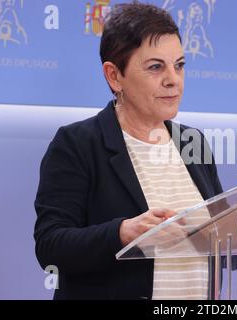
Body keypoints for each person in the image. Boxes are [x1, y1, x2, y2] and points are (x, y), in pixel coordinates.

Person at [34, 2, 224, 300]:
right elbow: (50, 247)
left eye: (179, 65)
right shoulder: (77, 144)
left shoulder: (192, 142)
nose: (173, 79)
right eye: (156, 67)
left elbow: (226, 246)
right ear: (114, 76)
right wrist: (122, 232)